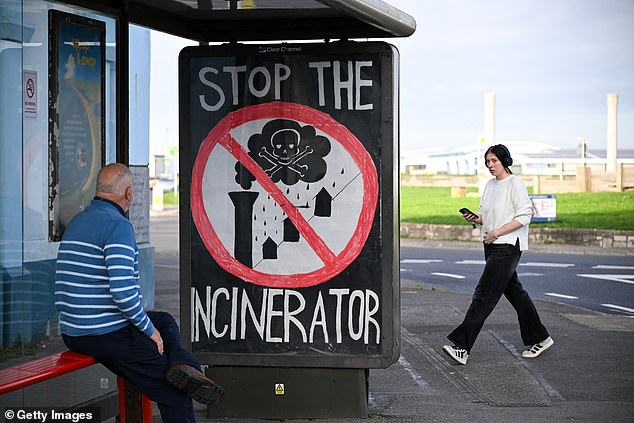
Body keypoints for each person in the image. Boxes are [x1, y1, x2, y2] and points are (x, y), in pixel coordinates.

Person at [55, 163, 223, 422]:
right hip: (103, 332)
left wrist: (151, 327)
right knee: (175, 395)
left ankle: (183, 366)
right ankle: (183, 373)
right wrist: (148, 330)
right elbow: (122, 293)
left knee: (165, 321)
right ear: (130, 193)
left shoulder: (79, 221)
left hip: (73, 331)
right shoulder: (117, 226)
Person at [443, 145, 553, 365]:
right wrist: (477, 219)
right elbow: (485, 213)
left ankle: (462, 347)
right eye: (487, 162)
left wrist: (496, 233)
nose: (490, 165)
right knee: (515, 293)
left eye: (494, 161)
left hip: (508, 246)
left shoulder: (515, 183)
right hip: (492, 244)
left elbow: (524, 216)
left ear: (505, 161)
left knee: (484, 294)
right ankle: (540, 337)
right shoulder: (490, 185)